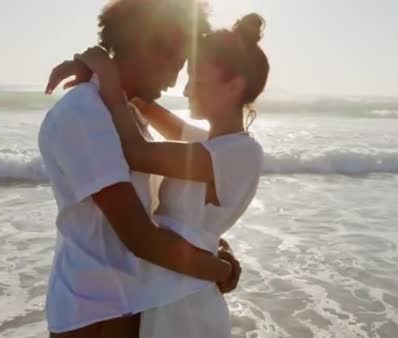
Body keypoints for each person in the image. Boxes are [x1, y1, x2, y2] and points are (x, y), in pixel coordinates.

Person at [50, 13, 270, 338]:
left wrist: (109, 80)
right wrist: (103, 70)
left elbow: (137, 152)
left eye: (194, 75)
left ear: (234, 86)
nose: (182, 88)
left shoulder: (237, 153)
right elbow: (155, 114)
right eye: (182, 68)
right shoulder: (209, 145)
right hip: (159, 292)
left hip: (179, 295)